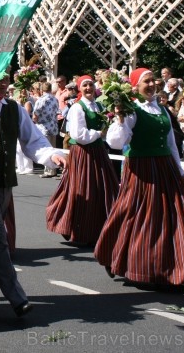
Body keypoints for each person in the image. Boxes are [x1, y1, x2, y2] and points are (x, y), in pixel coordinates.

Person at [0, 75, 66, 319]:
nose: (4, 83)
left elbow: (32, 140)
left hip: (5, 184)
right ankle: (17, 298)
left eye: (6, 79)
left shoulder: (15, 108)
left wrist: (51, 156)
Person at [95, 68, 184, 288]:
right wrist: (118, 117)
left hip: (164, 168)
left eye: (153, 81)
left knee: (171, 219)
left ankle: (170, 270)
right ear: (135, 86)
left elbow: (171, 144)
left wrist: (180, 171)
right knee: (136, 216)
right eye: (146, 81)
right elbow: (116, 143)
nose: (152, 85)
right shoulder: (131, 110)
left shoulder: (161, 109)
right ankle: (126, 260)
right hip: (142, 170)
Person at [46, 75, 119, 246]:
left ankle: (103, 229)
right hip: (83, 153)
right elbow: (79, 135)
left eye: (90, 85)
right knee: (84, 189)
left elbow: (106, 127)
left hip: (98, 151)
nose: (88, 88)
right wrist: (99, 134)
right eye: (85, 85)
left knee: (103, 189)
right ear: (80, 88)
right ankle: (80, 230)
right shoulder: (77, 108)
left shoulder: (100, 106)